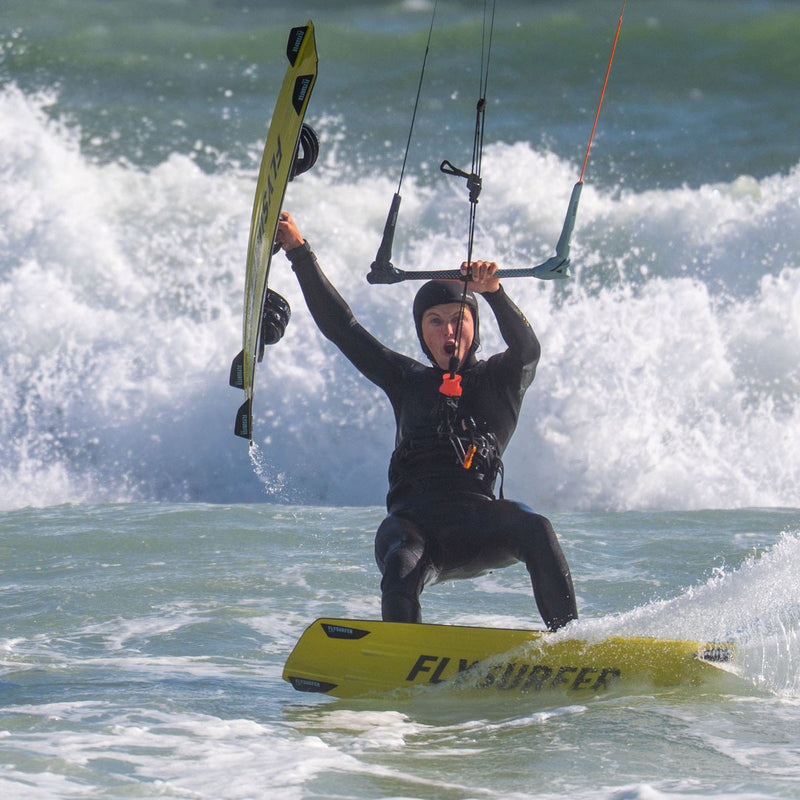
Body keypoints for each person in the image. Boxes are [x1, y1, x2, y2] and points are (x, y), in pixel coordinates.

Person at [275, 212, 577, 631]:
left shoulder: (501, 380)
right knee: (400, 564)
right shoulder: (406, 381)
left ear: (474, 327)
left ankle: (572, 644)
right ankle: (402, 655)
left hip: (479, 528)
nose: (447, 331)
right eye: (435, 322)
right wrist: (297, 251)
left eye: (459, 319)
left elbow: (527, 348)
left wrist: (494, 293)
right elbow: (343, 329)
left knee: (536, 528)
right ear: (422, 332)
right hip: (414, 530)